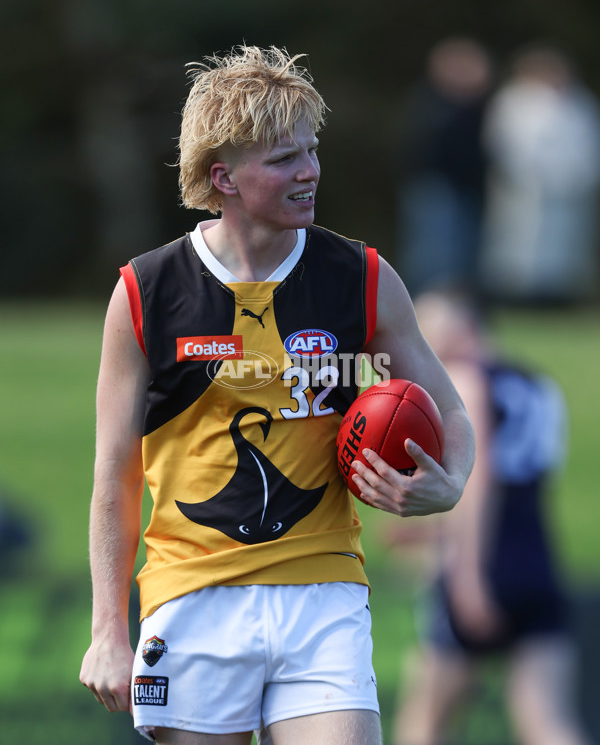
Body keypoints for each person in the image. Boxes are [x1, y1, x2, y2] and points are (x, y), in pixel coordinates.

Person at [79, 46, 474, 745]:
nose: (309, 170)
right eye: (284, 159)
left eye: (311, 150)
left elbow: (448, 408)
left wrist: (450, 484)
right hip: (190, 596)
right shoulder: (145, 291)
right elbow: (115, 472)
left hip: (323, 594)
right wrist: (109, 630)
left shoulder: (361, 276)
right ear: (222, 177)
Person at [391, 288, 593, 745]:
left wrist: (467, 575)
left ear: (462, 324)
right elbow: (527, 480)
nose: (419, 339)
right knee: (549, 722)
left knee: (422, 722)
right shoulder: (536, 385)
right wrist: (429, 532)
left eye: (428, 325)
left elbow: (478, 483)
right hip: (538, 560)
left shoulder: (465, 377)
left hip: (482, 565)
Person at [480, 44, 600, 305]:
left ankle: (557, 300)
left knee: (563, 250)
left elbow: (588, 146)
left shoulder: (579, 104)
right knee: (517, 247)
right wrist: (531, 176)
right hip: (524, 192)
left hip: (568, 193)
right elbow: (507, 144)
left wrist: (574, 178)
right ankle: (517, 298)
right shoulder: (513, 101)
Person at [395, 37, 494, 297]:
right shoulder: (434, 106)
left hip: (466, 191)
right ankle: (428, 307)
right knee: (433, 256)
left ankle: (454, 309)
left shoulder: (477, 108)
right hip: (436, 189)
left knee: (461, 257)